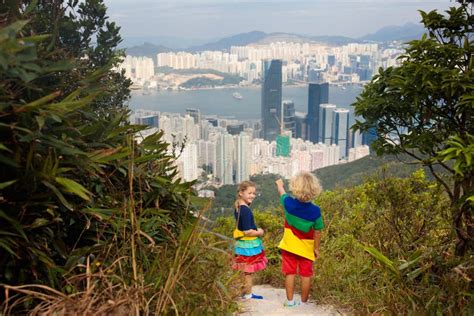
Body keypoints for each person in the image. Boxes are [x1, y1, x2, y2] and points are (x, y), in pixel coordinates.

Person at [274, 172, 324, 307]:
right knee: (306, 275)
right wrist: (316, 248)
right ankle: (303, 302)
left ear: (295, 188)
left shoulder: (289, 203)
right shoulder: (315, 211)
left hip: (289, 246)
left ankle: (290, 301)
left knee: (289, 273)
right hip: (306, 248)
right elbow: (318, 232)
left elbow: (282, 193)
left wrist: (279, 184)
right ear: (314, 190)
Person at [232, 180, 268, 300]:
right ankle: (248, 294)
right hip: (248, 244)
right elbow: (248, 231)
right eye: (250, 193)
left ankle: (244, 292)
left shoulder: (238, 207)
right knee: (248, 271)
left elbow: (243, 226)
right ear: (241, 193)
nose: (252, 195)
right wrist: (259, 232)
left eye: (254, 193)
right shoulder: (245, 210)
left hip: (241, 243)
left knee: (243, 270)